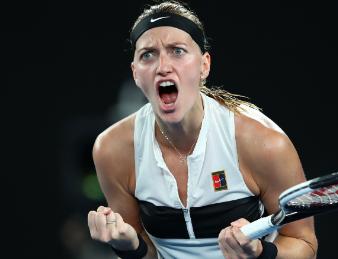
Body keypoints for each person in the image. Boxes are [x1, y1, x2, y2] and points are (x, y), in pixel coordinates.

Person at [87, 1, 318, 258]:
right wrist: (131, 246)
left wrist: (260, 252)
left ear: (204, 66)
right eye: (148, 54)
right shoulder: (112, 150)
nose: (163, 66)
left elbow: (304, 245)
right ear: (136, 74)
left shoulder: (263, 143)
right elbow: (147, 253)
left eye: (177, 51)